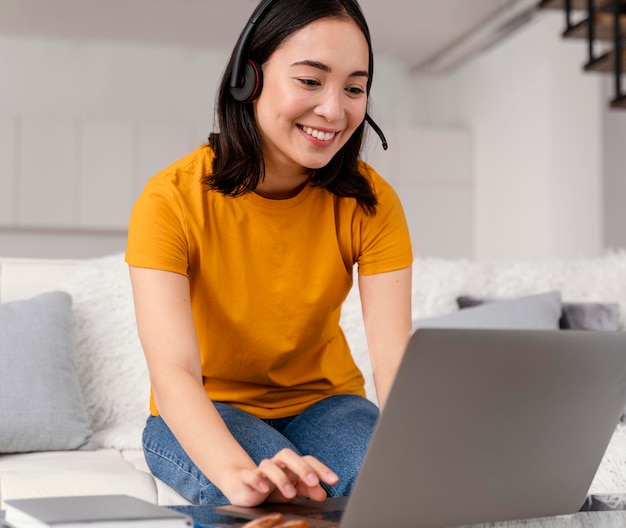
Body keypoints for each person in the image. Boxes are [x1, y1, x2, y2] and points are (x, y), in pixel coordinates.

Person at [125, 0, 413, 508]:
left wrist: (427, 464)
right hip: (211, 408)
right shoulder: (169, 201)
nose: (334, 110)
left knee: (396, 490)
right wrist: (241, 476)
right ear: (248, 78)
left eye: (354, 88)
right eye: (310, 81)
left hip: (329, 405)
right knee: (275, 496)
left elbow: (395, 366)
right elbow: (173, 374)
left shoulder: (371, 202)